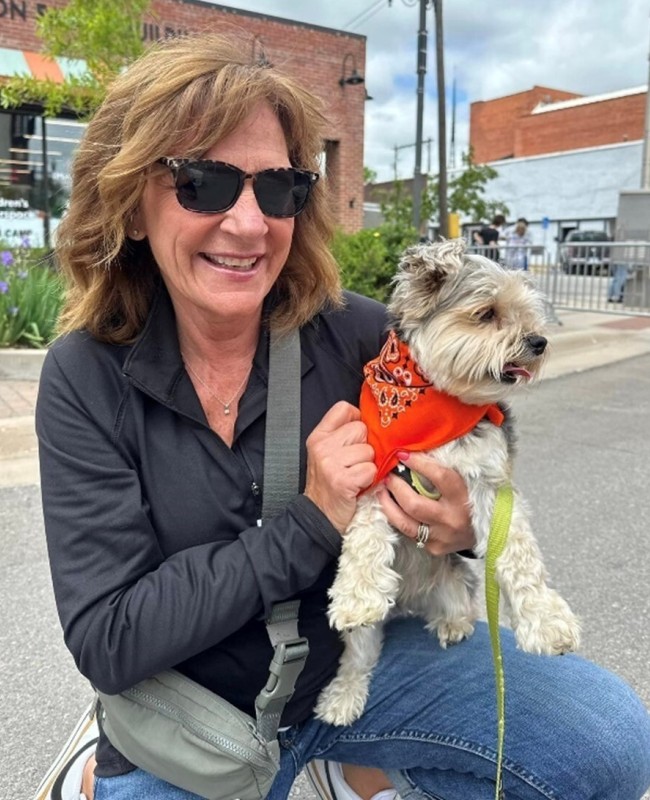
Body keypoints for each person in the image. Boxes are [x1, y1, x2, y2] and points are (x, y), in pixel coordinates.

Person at [35, 32, 650, 800]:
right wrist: (313, 520)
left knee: (610, 744)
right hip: (191, 714)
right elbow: (111, 639)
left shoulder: (359, 335)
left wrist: (453, 530)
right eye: (205, 183)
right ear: (130, 206)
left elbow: (479, 435)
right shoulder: (86, 376)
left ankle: (348, 766)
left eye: (280, 188)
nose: (251, 224)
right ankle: (101, 765)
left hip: (359, 667)